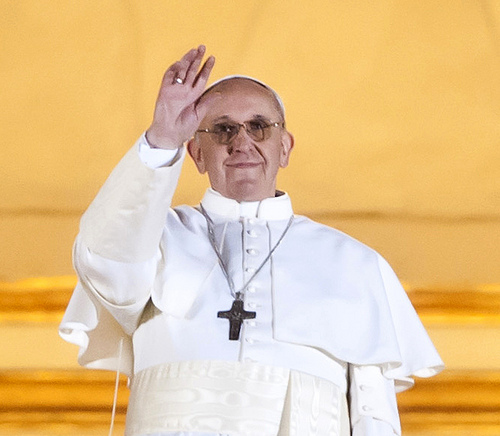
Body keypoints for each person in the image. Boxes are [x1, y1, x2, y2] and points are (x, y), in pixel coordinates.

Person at [60, 45, 443, 436]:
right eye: (223, 129)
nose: (242, 142)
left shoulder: (355, 264)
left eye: (259, 126)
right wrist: (160, 140)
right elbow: (104, 258)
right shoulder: (155, 240)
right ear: (196, 153)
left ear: (285, 148)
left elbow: (373, 415)